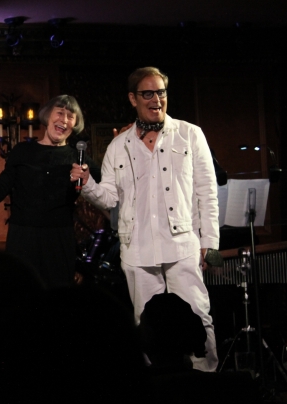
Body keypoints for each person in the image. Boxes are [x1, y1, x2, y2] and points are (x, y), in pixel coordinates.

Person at [71, 66, 220, 371]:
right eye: (148, 93)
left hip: (182, 243)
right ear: (133, 98)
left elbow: (207, 191)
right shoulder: (118, 146)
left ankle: (206, 382)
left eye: (161, 92)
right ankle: (156, 387)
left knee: (197, 315)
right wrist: (87, 185)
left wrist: (210, 242)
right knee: (146, 322)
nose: (156, 99)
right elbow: (109, 198)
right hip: (136, 248)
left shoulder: (190, 134)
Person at [0, 95, 100, 288]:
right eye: (60, 113)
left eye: (70, 116)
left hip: (59, 240)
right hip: (22, 239)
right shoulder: (22, 151)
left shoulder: (78, 157)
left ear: (75, 124)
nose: (64, 120)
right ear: (47, 116)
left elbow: (105, 191)